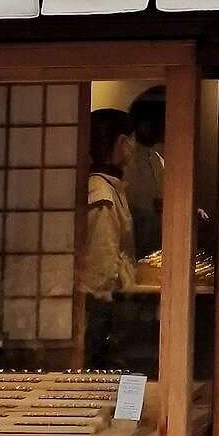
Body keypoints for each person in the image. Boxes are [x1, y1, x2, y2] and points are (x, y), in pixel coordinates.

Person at [83, 109, 137, 366]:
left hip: (106, 303)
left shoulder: (109, 186)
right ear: (121, 142)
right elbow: (101, 263)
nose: (133, 147)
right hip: (101, 306)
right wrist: (107, 306)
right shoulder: (101, 192)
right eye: (131, 139)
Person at [124, 91, 166, 257]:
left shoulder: (155, 159)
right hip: (130, 253)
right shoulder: (125, 161)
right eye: (165, 119)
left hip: (154, 252)